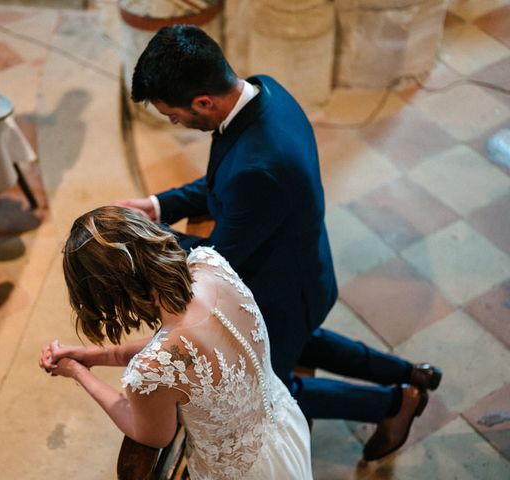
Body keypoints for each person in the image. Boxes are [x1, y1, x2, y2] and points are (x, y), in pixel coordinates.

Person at [117, 24, 441, 461]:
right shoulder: (263, 92)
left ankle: (395, 403)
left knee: (266, 391)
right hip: (302, 269)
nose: (174, 123)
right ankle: (412, 372)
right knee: (309, 340)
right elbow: (224, 184)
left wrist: (140, 237)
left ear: (203, 103)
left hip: (282, 291)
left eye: (173, 115)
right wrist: (159, 206)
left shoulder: (261, 168)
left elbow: (218, 258)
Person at [39, 206, 313, 479]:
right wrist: (94, 355)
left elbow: (151, 436)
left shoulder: (149, 372)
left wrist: (78, 373)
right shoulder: (210, 264)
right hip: (284, 428)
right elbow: (185, 352)